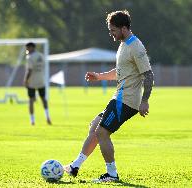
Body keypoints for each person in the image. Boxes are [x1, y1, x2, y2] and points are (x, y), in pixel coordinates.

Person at [64, 10, 154, 182]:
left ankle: (111, 174)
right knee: (95, 126)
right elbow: (120, 72)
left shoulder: (136, 46)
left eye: (113, 30)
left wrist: (145, 101)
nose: (111, 34)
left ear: (124, 28)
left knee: (102, 132)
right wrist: (99, 76)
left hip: (127, 100)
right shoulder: (123, 44)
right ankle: (75, 166)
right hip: (119, 97)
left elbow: (148, 75)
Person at [23, 42, 52, 126]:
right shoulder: (41, 56)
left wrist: (25, 80)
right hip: (41, 80)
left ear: (31, 47)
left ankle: (32, 120)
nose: (26, 50)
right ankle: (47, 117)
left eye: (27, 48)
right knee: (43, 99)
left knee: (31, 100)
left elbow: (29, 70)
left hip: (32, 81)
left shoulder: (30, 57)